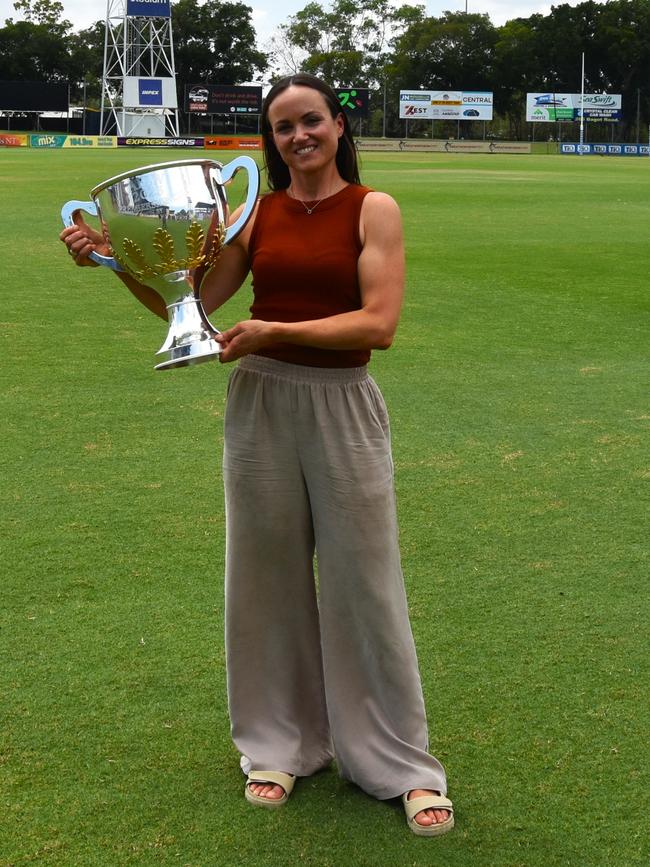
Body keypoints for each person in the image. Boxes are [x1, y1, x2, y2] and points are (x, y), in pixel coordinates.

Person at [60, 73, 454, 837]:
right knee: (263, 577)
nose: (299, 136)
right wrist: (116, 260)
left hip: (342, 403)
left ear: (339, 125)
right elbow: (195, 311)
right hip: (261, 403)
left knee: (364, 583)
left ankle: (400, 763)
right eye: (282, 128)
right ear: (270, 143)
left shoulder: (373, 209)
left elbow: (379, 324)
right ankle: (279, 746)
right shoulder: (255, 215)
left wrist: (275, 331)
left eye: (311, 121)